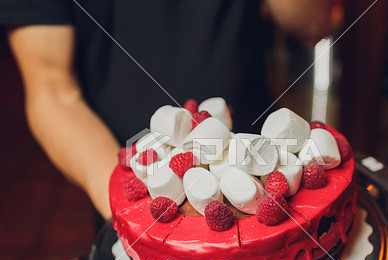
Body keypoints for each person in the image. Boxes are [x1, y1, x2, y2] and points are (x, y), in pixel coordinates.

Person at [0, 0, 332, 220]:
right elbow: (53, 92)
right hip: (130, 182)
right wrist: (141, 219)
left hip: (268, 166)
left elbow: (313, 25)